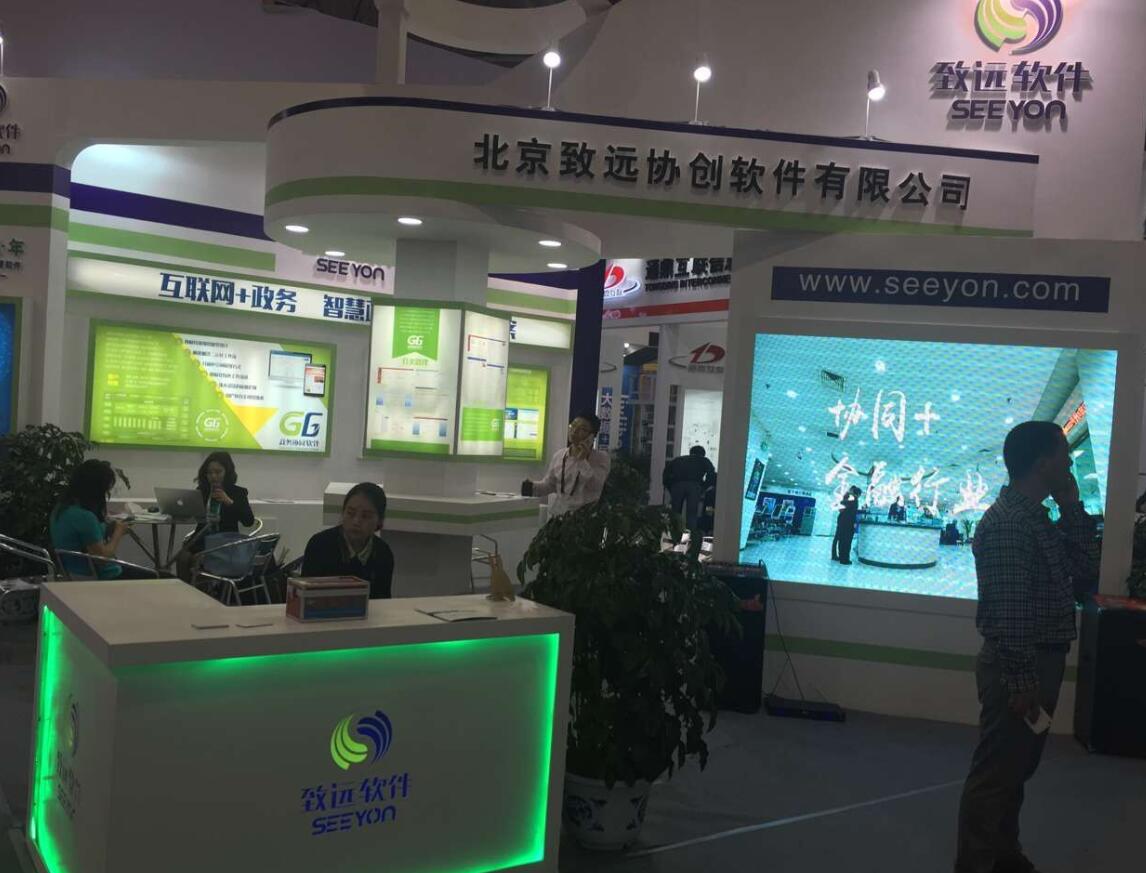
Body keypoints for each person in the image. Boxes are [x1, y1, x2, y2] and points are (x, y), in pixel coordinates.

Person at [954, 421, 1100, 873]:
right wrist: (1022, 681)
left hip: (1037, 662)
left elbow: (1084, 570)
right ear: (1042, 463)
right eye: (1064, 455)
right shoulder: (1008, 525)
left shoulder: (1036, 518)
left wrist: (1071, 506)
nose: (1069, 463)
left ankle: (1003, 853)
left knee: (1015, 768)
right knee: (996, 773)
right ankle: (976, 863)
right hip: (1019, 667)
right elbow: (1011, 612)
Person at [50, 459, 146, 579]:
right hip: (102, 577)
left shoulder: (60, 510)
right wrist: (118, 532)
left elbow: (86, 538)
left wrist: (109, 528)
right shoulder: (85, 517)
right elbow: (102, 559)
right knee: (160, 576)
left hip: (73, 574)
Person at [302, 482, 394, 599]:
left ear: (380, 520)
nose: (356, 521)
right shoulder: (319, 545)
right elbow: (305, 598)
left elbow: (383, 601)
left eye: (365, 516)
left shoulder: (383, 553)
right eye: (350, 513)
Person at [176, 452, 255, 579]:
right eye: (209, 473)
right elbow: (193, 516)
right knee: (182, 557)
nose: (213, 476)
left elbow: (249, 521)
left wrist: (229, 502)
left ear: (227, 472)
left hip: (226, 542)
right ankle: (185, 588)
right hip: (202, 539)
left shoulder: (238, 492)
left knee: (198, 559)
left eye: (218, 472)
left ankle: (205, 587)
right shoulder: (202, 491)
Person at [521, 412, 611, 518]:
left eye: (582, 429)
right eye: (573, 425)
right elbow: (550, 485)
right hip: (559, 517)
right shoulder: (559, 455)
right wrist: (531, 487)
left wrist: (582, 460)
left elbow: (595, 485)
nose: (574, 431)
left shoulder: (600, 458)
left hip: (585, 520)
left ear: (592, 436)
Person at [663, 446, 716, 530]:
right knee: (692, 513)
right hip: (694, 485)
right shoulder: (704, 460)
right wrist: (704, 487)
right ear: (703, 454)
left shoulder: (677, 460)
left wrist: (671, 487)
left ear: (691, 452)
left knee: (675, 512)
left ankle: (674, 532)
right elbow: (711, 474)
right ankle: (691, 534)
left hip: (677, 484)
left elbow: (666, 474)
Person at [831, 485, 862, 564]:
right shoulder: (854, 500)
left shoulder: (849, 498)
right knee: (847, 542)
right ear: (858, 494)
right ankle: (844, 559)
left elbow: (842, 504)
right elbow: (844, 504)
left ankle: (841, 557)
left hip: (842, 521)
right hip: (848, 524)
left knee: (841, 540)